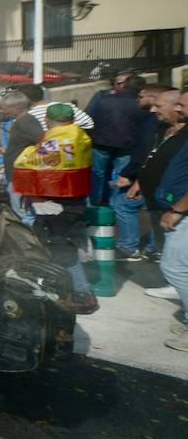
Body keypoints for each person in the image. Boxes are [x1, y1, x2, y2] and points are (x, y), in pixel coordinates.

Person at [10, 104, 98, 314]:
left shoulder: (53, 140)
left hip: (54, 205)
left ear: (48, 120)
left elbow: (25, 163)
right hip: (75, 201)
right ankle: (66, 289)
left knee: (61, 250)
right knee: (62, 247)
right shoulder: (82, 138)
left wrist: (29, 150)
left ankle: (82, 294)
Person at [131, 89, 186, 298]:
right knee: (164, 245)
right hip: (157, 200)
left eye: (159, 106)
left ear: (176, 107)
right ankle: (174, 285)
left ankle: (179, 284)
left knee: (177, 258)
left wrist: (176, 208)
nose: (153, 110)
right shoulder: (161, 128)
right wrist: (139, 182)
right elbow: (153, 157)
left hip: (176, 204)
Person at [111, 84, 171, 261]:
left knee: (122, 203)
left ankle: (130, 247)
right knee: (153, 209)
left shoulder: (153, 121)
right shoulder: (163, 123)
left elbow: (145, 151)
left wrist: (129, 174)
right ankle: (154, 249)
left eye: (141, 96)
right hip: (154, 178)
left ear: (153, 98)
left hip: (156, 179)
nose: (137, 100)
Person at [86, 73, 152, 206]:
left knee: (97, 174)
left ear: (125, 85)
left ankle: (95, 203)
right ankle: (116, 203)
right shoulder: (140, 105)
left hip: (100, 143)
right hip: (127, 146)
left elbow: (89, 118)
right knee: (122, 175)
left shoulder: (104, 99)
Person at [153, 97, 188, 351]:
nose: (178, 108)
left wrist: (177, 209)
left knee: (174, 267)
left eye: (183, 104)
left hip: (183, 210)